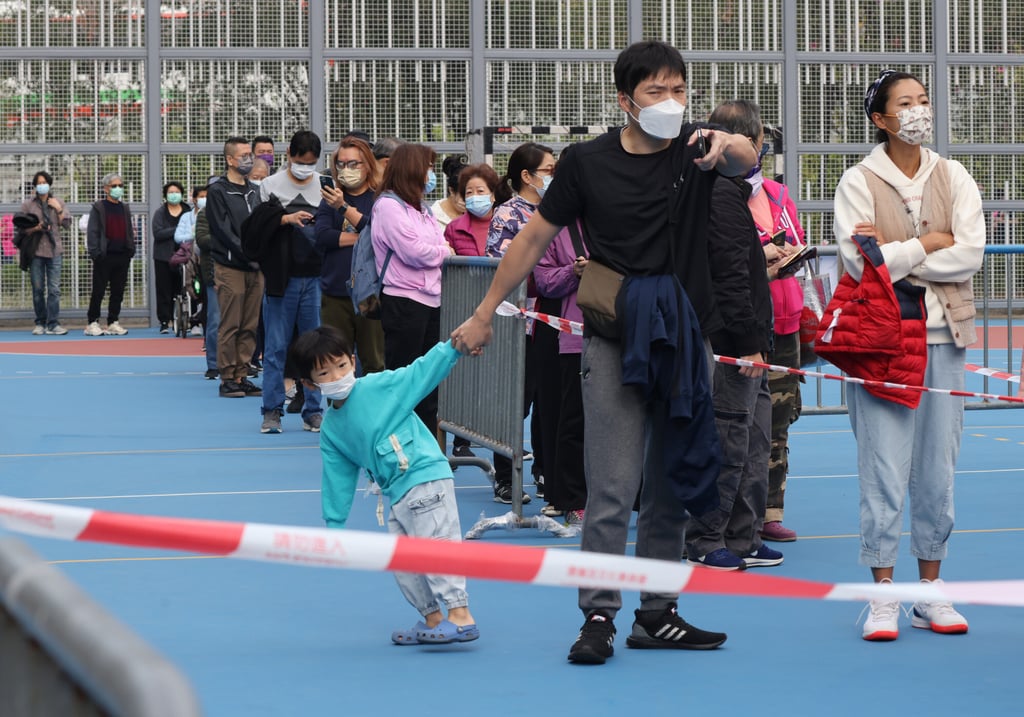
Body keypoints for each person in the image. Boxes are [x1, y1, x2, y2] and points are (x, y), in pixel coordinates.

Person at [451, 40, 757, 664]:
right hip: (615, 338)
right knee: (612, 486)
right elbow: (535, 237)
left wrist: (732, 145)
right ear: (625, 100)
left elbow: (749, 158)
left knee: (672, 482)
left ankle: (658, 611)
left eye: (679, 90)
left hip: (684, 337)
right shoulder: (586, 164)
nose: (670, 102)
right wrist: (485, 313)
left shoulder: (701, 148)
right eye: (656, 91)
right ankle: (598, 614)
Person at [834, 70, 984, 641]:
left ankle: (929, 592)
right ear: (880, 119)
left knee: (937, 472)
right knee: (883, 469)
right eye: (905, 103)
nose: (919, 110)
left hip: (944, 339)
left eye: (923, 100)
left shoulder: (954, 174)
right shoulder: (858, 180)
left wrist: (897, 257)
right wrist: (928, 242)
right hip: (881, 343)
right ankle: (882, 597)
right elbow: (858, 263)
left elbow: (968, 255)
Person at [288, 325, 478, 646]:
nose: (336, 375)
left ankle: (460, 614)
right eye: (325, 372)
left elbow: (420, 373)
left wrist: (453, 349)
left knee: (436, 545)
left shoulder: (379, 387)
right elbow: (337, 477)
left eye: (342, 366)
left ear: (353, 360)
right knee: (402, 558)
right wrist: (334, 527)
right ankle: (432, 617)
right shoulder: (331, 430)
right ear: (309, 383)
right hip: (397, 492)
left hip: (425, 476)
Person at [683, 100, 783, 572]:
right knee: (729, 440)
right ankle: (707, 537)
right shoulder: (720, 194)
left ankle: (744, 535)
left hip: (751, 338)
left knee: (755, 439)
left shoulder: (733, 194)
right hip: (733, 343)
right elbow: (728, 274)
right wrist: (746, 341)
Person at [731, 109, 809, 544]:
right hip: (743, 322)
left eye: (758, 139)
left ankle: (769, 510)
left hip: (786, 319)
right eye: (749, 139)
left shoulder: (778, 194)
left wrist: (788, 254)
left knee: (779, 420)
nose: (755, 147)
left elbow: (794, 237)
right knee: (737, 420)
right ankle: (732, 511)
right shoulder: (720, 193)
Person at [485, 142, 558, 505]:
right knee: (516, 402)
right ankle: (504, 476)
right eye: (548, 170)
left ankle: (545, 472)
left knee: (550, 402)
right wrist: (548, 272)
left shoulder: (560, 209)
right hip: (519, 322)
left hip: (555, 320)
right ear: (527, 176)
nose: (554, 176)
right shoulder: (508, 214)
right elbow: (502, 267)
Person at [246, 129, 326, 434]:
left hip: (316, 279)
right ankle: (272, 410)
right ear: (289, 155)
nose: (306, 167)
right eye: (301, 161)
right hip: (282, 280)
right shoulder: (269, 186)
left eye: (312, 163)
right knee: (276, 347)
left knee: (315, 348)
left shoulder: (326, 185)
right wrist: (284, 219)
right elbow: (254, 230)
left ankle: (314, 409)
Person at [371, 142, 453, 436]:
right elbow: (414, 251)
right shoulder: (388, 206)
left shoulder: (422, 209)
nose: (431, 173)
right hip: (404, 301)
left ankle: (426, 451)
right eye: (428, 167)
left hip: (431, 300)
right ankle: (394, 448)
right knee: (403, 382)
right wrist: (443, 253)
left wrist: (440, 249)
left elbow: (437, 243)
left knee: (428, 384)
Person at [443, 163, 510, 463]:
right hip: (467, 311)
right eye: (468, 192)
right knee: (466, 380)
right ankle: (460, 438)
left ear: (493, 195)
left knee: (503, 388)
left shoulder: (508, 223)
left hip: (506, 315)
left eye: (480, 191)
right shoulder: (454, 229)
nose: (474, 196)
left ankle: (504, 461)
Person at [533, 218, 589, 525]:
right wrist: (574, 271)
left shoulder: (621, 215)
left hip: (624, 332)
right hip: (573, 335)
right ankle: (573, 499)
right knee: (572, 419)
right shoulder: (556, 228)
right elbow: (543, 281)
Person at [315, 134, 385, 375]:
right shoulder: (329, 198)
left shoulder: (380, 198)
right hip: (335, 292)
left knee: (374, 362)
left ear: (368, 165)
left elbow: (377, 232)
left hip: (370, 293)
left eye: (353, 164)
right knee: (334, 362)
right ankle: (340, 412)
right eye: (341, 164)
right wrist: (360, 240)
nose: (347, 169)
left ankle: (374, 412)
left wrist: (344, 210)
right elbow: (322, 235)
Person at [206, 137, 263, 398]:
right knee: (230, 323)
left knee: (250, 323)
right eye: (243, 155)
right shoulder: (218, 191)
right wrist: (246, 252)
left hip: (256, 267)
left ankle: (242, 373)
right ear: (230, 160)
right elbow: (222, 229)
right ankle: (226, 376)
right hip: (231, 266)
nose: (248, 159)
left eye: (249, 155)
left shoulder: (254, 190)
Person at [18, 171, 71, 335]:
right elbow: (21, 228)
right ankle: (40, 322)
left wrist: (59, 209)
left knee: (54, 289)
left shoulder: (57, 202)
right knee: (38, 288)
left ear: (49, 184)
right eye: (39, 183)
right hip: (36, 251)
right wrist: (37, 227)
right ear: (35, 186)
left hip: (55, 251)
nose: (42, 185)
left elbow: (67, 224)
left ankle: (53, 323)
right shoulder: (28, 205)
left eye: (44, 182)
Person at [84, 173, 135, 336]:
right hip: (104, 256)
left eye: (120, 185)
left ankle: (113, 321)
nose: (118, 189)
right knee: (99, 290)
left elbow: (129, 230)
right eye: (114, 186)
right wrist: (96, 253)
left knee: (118, 291)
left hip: (122, 255)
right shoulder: (99, 207)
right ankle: (93, 322)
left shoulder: (124, 208)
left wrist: (130, 249)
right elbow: (92, 231)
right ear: (106, 188)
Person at [151, 181, 189, 333]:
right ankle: (165, 321)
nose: (174, 195)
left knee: (182, 288)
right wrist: (178, 230)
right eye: (170, 192)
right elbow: (158, 233)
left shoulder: (187, 210)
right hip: (163, 257)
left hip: (184, 256)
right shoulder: (160, 212)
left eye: (177, 191)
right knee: (164, 289)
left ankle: (184, 318)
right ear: (166, 195)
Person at [430, 155, 467, 229]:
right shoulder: (432, 218)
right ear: (452, 191)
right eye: (464, 195)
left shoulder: (474, 215)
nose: (469, 201)